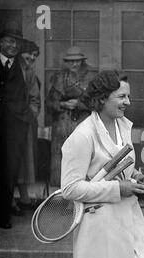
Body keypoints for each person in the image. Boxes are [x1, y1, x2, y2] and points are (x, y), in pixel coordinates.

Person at [61, 70, 144, 258]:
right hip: (99, 229)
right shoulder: (82, 136)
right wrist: (118, 189)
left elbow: (121, 166)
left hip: (128, 220)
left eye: (128, 96)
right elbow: (70, 188)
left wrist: (135, 176)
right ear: (102, 98)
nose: (128, 102)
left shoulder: (122, 125)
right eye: (121, 97)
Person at [0, 23, 34, 229]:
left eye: (17, 42)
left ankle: (3, 217)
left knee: (9, 171)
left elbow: (33, 97)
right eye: (10, 41)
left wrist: (28, 116)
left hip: (15, 127)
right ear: (0, 42)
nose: (14, 46)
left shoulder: (25, 68)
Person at [45, 46, 94, 187]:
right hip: (62, 125)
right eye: (71, 61)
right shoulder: (58, 78)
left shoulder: (90, 79)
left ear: (82, 61)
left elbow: (97, 102)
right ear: (66, 62)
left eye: (77, 61)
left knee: (81, 157)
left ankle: (80, 191)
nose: (74, 64)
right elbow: (49, 102)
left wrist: (79, 103)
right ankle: (59, 195)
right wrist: (63, 104)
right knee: (61, 158)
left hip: (81, 122)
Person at [13, 40, 41, 213]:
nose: (31, 57)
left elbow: (35, 99)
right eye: (28, 53)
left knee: (24, 161)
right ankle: (9, 201)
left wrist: (29, 115)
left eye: (34, 55)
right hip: (8, 123)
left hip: (24, 122)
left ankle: (24, 198)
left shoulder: (30, 72)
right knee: (9, 162)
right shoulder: (8, 70)